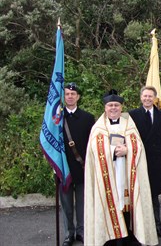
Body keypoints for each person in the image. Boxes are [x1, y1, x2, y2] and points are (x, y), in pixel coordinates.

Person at [84, 89, 158, 246]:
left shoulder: (128, 124)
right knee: (108, 202)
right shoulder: (98, 127)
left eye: (116, 105)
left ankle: (127, 237)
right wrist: (112, 151)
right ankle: (109, 238)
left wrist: (128, 150)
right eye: (110, 105)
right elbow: (93, 150)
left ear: (121, 107)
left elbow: (139, 146)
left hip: (125, 173)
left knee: (126, 205)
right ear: (105, 107)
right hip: (106, 178)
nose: (113, 108)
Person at [129, 86, 161, 238]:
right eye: (145, 96)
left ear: (154, 98)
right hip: (137, 160)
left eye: (150, 96)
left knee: (153, 196)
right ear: (141, 97)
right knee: (138, 196)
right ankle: (138, 229)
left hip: (155, 162)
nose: (147, 99)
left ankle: (156, 227)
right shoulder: (132, 115)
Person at [61, 82, 95, 246]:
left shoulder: (88, 118)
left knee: (82, 204)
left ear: (78, 97)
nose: (70, 96)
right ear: (64, 96)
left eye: (73, 94)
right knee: (66, 205)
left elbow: (93, 144)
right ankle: (69, 233)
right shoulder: (56, 120)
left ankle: (81, 231)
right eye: (67, 94)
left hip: (82, 168)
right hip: (64, 169)